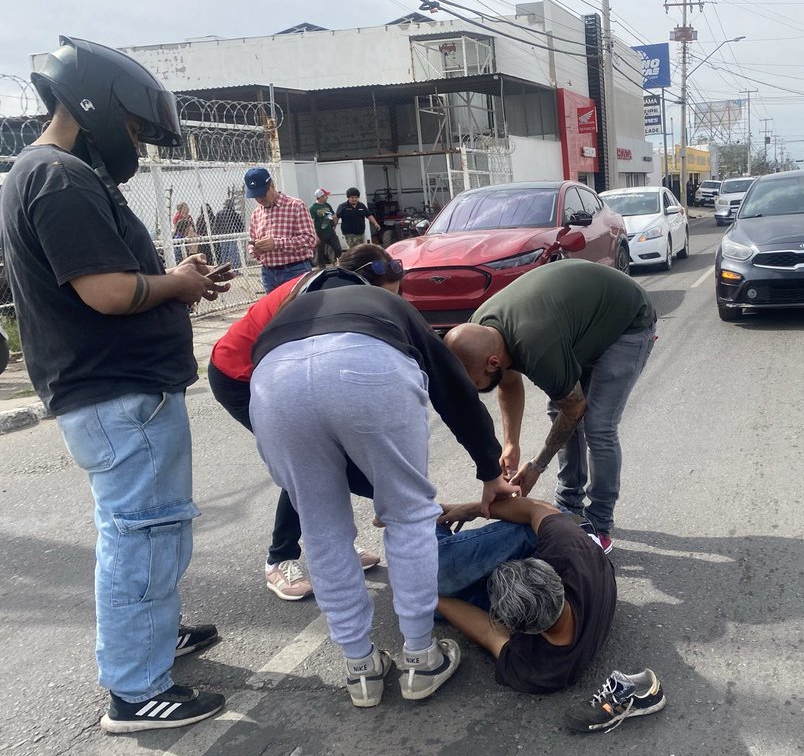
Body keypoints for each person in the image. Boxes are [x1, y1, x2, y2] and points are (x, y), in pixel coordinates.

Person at [0, 36, 235, 733]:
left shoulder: (47, 172)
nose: (133, 142)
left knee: (143, 532)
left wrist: (178, 282)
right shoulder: (61, 178)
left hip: (114, 393)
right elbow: (105, 292)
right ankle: (136, 689)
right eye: (133, 127)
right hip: (119, 395)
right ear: (98, 105)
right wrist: (178, 284)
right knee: (143, 536)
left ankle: (150, 638)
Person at [248, 272, 520, 707]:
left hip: (274, 380)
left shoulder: (286, 313)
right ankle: (421, 656)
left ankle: (359, 666)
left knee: (321, 531)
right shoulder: (385, 303)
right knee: (408, 515)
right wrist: (490, 470)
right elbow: (452, 389)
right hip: (368, 366)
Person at [208, 244, 393, 601]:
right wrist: (392, 495)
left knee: (329, 454)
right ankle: (279, 561)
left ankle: (336, 541)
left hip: (276, 371)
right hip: (238, 375)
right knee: (306, 461)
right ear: (358, 286)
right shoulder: (321, 300)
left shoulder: (336, 291)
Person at [444, 260, 657, 554]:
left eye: (474, 382)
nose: (475, 389)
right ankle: (569, 504)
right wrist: (511, 444)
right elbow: (507, 382)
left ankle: (599, 524)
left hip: (627, 319)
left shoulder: (535, 346)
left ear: (492, 362)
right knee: (560, 411)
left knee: (598, 425)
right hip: (582, 321)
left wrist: (537, 465)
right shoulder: (478, 330)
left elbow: (575, 409)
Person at [435, 496, 618, 693]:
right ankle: (428, 538)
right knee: (434, 569)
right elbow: (534, 508)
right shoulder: (570, 549)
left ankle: (427, 527)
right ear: (555, 577)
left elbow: (488, 633)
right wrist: (474, 509)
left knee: (433, 593)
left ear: (513, 627)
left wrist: (425, 593)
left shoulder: (534, 669)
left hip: (564, 555)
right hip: (560, 526)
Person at [245, 166, 317, 292]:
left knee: (300, 304)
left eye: (262, 194)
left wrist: (277, 243)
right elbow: (252, 243)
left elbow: (309, 239)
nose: (260, 199)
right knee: (274, 306)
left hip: (295, 270)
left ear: (272, 185)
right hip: (268, 273)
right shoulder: (256, 214)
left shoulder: (295, 206)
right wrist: (256, 250)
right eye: (255, 196)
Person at [309, 188, 341, 268]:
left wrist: (334, 225)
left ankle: (337, 263)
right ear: (320, 197)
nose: (327, 197)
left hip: (330, 231)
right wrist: (315, 236)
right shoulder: (313, 208)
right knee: (320, 253)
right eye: (325, 195)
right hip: (320, 233)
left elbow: (333, 216)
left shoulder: (327, 205)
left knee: (337, 248)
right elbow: (311, 223)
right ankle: (322, 268)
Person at [212, 197, 245, 269]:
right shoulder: (234, 214)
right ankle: (235, 269)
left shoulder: (219, 213)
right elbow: (240, 226)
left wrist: (215, 234)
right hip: (232, 235)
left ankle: (225, 268)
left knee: (224, 253)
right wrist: (238, 232)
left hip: (223, 235)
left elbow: (216, 225)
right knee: (234, 253)